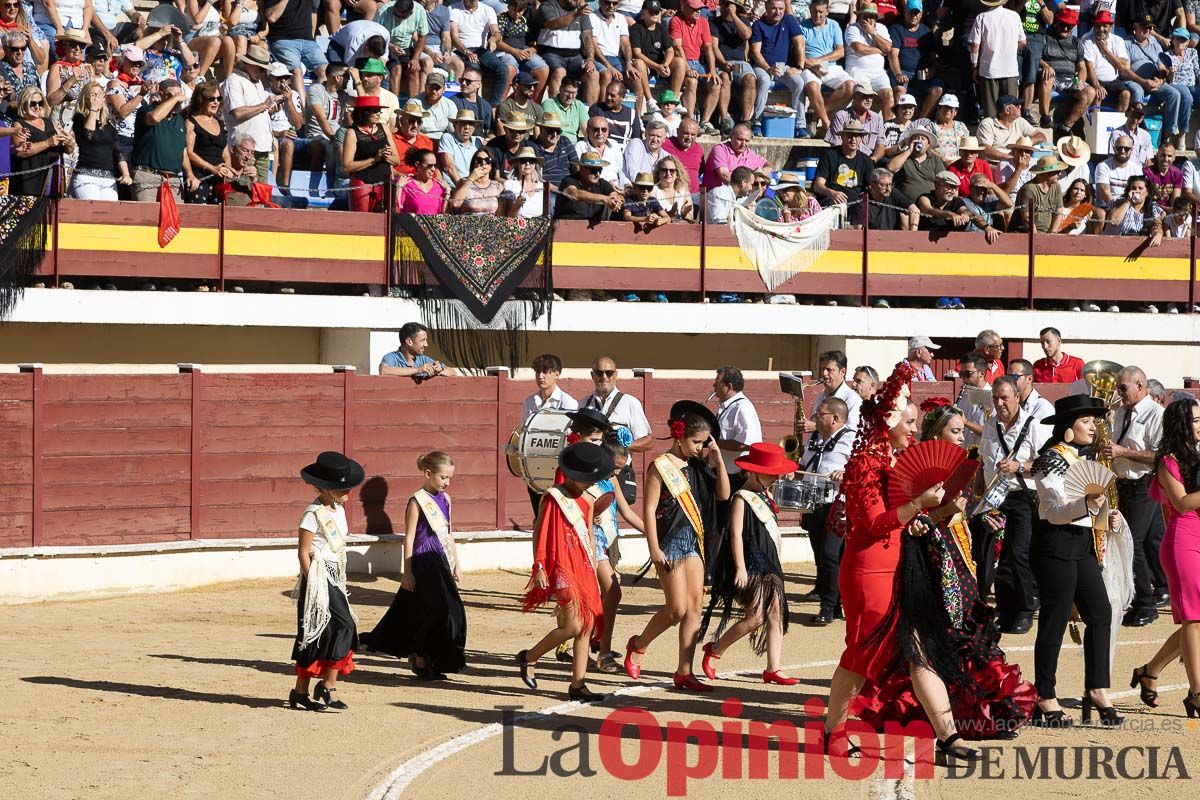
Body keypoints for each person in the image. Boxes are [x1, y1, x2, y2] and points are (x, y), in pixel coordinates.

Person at [850, 398, 1036, 741]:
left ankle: (970, 709)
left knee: (964, 621)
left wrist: (968, 508)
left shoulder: (959, 464)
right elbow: (910, 524)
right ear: (937, 435)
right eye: (955, 432)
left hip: (958, 554)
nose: (961, 439)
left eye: (963, 432)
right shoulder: (912, 468)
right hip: (931, 559)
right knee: (947, 627)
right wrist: (943, 510)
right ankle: (954, 714)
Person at [821, 361, 979, 761]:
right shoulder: (865, 465)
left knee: (919, 649)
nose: (914, 429)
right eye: (908, 421)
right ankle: (833, 731)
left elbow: (895, 523)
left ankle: (948, 737)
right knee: (861, 656)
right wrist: (916, 506)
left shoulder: (888, 462)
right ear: (888, 422)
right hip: (868, 572)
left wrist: (918, 520)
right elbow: (874, 523)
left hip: (895, 568)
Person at [1029, 395, 1124, 728]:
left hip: (1079, 544)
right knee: (1054, 620)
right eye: (1086, 421)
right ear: (1068, 428)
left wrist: (1105, 515)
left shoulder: (1079, 460)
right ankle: (1045, 695)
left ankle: (1096, 688)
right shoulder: (1048, 461)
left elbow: (1085, 511)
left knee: (1100, 611)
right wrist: (1088, 503)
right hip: (1054, 545)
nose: (1093, 427)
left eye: (1093, 421)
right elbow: (1054, 512)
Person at [623, 400, 730, 691]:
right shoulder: (660, 466)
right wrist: (653, 549)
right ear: (680, 437)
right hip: (669, 541)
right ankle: (638, 644)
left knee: (694, 607)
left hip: (693, 542)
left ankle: (684, 670)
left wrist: (718, 461)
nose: (700, 447)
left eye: (704, 442)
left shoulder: (698, 465)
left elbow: (723, 495)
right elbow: (649, 510)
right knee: (676, 608)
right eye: (696, 442)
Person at [517, 442, 614, 702]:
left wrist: (593, 564)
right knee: (573, 625)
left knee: (587, 625)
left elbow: (590, 537)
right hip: (562, 566)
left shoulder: (588, 500)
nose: (587, 484)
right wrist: (538, 565)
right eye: (584, 479)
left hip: (583, 565)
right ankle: (529, 657)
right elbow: (542, 532)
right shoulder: (553, 497)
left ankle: (578, 684)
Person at [361, 451, 466, 680]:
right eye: (443, 477)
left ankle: (429, 658)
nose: (447, 483)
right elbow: (408, 538)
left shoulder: (446, 500)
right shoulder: (416, 501)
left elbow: (448, 533)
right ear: (428, 474)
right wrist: (406, 572)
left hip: (441, 560)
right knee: (438, 610)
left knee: (443, 611)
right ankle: (421, 658)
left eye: (449, 478)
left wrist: (457, 564)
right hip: (423, 561)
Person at [699, 442, 797, 684]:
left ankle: (773, 667)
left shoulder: (767, 495)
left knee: (775, 614)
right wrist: (741, 567)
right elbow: (735, 534)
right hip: (752, 563)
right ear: (754, 472)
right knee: (756, 616)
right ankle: (716, 649)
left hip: (770, 561)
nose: (774, 478)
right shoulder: (742, 498)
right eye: (770, 474)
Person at [289, 451, 365, 711]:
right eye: (341, 487)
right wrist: (314, 585)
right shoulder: (312, 513)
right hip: (319, 578)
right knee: (339, 627)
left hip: (334, 574)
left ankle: (301, 692)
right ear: (325, 488)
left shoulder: (338, 509)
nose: (348, 491)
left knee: (321, 632)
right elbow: (303, 552)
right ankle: (327, 686)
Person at [1144, 397, 1200, 720]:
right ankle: (1196, 693)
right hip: (1183, 538)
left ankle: (1150, 670)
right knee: (1194, 618)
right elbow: (1180, 503)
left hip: (1194, 537)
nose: (1199, 425)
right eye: (1194, 419)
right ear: (1181, 423)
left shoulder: (1195, 457)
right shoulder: (1168, 461)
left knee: (1196, 620)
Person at [981, 374, 1044, 634]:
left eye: (1004, 398)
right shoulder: (989, 425)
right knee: (996, 555)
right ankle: (1005, 610)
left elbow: (1047, 464)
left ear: (1017, 397)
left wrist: (1020, 466)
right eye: (995, 398)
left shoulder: (1034, 426)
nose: (999, 403)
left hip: (1022, 498)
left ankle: (1024, 609)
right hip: (994, 497)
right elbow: (983, 462)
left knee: (1018, 554)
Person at [1109, 365, 1167, 628]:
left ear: (1140, 385)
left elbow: (1159, 455)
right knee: (1141, 542)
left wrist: (1121, 452)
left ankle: (1146, 602)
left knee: (1134, 543)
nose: (1119, 392)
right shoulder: (1122, 411)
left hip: (1144, 483)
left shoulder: (1156, 414)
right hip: (1123, 483)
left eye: (1123, 387)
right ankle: (1138, 598)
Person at [803, 396, 854, 626]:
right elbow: (805, 464)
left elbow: (863, 469)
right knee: (821, 556)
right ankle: (835, 605)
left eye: (819, 414)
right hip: (814, 503)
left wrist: (846, 473)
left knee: (831, 554)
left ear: (835, 418)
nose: (815, 418)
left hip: (838, 503)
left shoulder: (851, 439)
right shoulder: (814, 439)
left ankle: (828, 605)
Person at [748, 0, 805, 137]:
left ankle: (800, 125)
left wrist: (799, 67)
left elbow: (800, 43)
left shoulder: (788, 20)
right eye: (773, 8)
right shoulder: (758, 24)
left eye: (781, 8)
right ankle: (757, 122)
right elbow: (755, 51)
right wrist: (768, 68)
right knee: (764, 81)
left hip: (782, 66)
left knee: (799, 83)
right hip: (763, 65)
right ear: (766, 7)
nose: (778, 12)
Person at [799, 0, 856, 136]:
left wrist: (818, 61)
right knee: (812, 86)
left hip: (829, 66)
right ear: (810, 9)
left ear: (827, 11)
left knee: (851, 86)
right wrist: (813, 67)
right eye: (814, 11)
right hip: (809, 67)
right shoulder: (802, 26)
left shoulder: (834, 25)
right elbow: (799, 55)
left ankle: (815, 115)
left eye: (821, 12)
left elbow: (840, 52)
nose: (817, 15)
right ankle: (826, 123)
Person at [70, 79, 131, 199]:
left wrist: (126, 174)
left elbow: (118, 151)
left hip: (108, 178)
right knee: (91, 213)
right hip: (86, 176)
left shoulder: (109, 124)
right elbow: (89, 135)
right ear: (86, 98)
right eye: (93, 95)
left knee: (108, 214)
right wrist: (93, 109)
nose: (96, 98)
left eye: (99, 95)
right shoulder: (79, 118)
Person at [1039, 6, 1093, 138]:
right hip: (1053, 77)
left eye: (1069, 26)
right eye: (1063, 24)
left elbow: (1082, 68)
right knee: (1047, 76)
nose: (1065, 29)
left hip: (1070, 80)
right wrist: (1045, 65)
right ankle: (1045, 117)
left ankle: (1066, 126)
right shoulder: (1046, 38)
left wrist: (1080, 81)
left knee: (1090, 92)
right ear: (1056, 22)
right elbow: (1036, 58)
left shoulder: (1076, 42)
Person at [534, 0, 600, 107]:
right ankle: (555, 111)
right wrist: (576, 13)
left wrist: (590, 59)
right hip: (551, 52)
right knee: (559, 72)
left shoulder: (581, 10)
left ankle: (590, 115)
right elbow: (553, 24)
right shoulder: (547, 6)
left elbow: (587, 36)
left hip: (574, 55)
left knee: (593, 74)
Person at [968, 0, 1025, 119]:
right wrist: (1010, 50)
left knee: (991, 111)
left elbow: (974, 45)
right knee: (1011, 111)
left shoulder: (982, 17)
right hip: (1010, 69)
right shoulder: (1014, 16)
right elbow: (1022, 42)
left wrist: (974, 66)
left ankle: (991, 135)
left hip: (989, 69)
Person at [888, 0, 943, 119]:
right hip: (903, 72)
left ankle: (920, 121)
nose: (914, 15)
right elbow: (893, 54)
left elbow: (934, 56)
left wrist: (932, 69)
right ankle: (900, 122)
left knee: (937, 89)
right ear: (905, 12)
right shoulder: (896, 29)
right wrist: (898, 73)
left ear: (921, 13)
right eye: (911, 12)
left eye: (917, 12)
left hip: (921, 74)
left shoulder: (926, 32)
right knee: (900, 90)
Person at [341, 95, 396, 212]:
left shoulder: (384, 128)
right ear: (364, 113)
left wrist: (386, 156)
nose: (378, 114)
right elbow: (347, 166)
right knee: (362, 221)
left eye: (379, 111)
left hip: (384, 183)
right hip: (362, 183)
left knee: (384, 221)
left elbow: (397, 160)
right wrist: (375, 159)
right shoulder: (352, 133)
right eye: (374, 111)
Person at [843, 3, 894, 120]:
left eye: (871, 16)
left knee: (889, 95)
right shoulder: (852, 28)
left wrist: (873, 33)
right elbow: (858, 49)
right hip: (858, 70)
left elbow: (887, 48)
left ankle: (888, 128)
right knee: (863, 95)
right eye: (865, 15)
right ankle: (858, 125)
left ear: (875, 18)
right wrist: (879, 50)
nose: (868, 19)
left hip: (878, 72)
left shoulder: (881, 28)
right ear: (860, 16)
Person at [184, 81, 232, 205]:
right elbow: (189, 152)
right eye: (211, 99)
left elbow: (225, 152)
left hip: (219, 180)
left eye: (219, 98)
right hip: (200, 178)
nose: (216, 102)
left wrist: (227, 168)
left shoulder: (220, 123)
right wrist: (212, 168)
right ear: (201, 100)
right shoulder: (191, 122)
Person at [812, 122, 872, 207]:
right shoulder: (830, 155)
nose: (853, 139)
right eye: (849, 136)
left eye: (857, 136)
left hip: (856, 202)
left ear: (861, 139)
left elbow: (871, 187)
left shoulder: (866, 160)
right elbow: (818, 185)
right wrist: (832, 193)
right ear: (842, 136)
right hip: (832, 199)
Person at [556, 149, 625, 220]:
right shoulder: (569, 180)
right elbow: (574, 194)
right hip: (567, 226)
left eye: (599, 170)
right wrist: (604, 199)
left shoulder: (602, 183)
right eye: (594, 170)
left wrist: (616, 200)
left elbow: (614, 195)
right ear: (582, 169)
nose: (597, 174)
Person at [825, 85, 886, 162]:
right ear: (855, 97)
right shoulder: (841, 116)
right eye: (865, 96)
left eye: (871, 97)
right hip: (845, 160)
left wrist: (873, 159)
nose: (869, 100)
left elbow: (881, 145)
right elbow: (836, 145)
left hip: (869, 161)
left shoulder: (877, 118)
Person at [1105, 175, 1166, 246]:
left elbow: (1156, 226)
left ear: (1147, 192)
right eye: (1133, 188)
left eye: (1140, 188)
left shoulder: (1153, 208)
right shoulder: (1120, 202)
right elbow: (1113, 221)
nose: (1136, 191)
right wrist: (1128, 202)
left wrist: (1158, 234)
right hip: (1114, 245)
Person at [379, 322, 457, 378]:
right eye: (422, 340)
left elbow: (453, 372)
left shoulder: (423, 359)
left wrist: (440, 370)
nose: (426, 345)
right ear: (409, 342)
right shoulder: (392, 357)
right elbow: (384, 370)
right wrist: (417, 370)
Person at [887, 127, 945, 201]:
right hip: (907, 203)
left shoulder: (934, 159)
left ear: (928, 145)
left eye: (923, 139)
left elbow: (943, 180)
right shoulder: (903, 157)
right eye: (916, 138)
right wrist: (909, 151)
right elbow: (891, 167)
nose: (919, 141)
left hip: (930, 203)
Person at [853, 166, 917, 230]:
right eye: (883, 185)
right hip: (873, 238)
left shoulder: (893, 193)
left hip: (894, 237)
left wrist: (913, 231)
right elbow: (859, 229)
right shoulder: (862, 201)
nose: (888, 189)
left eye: (890, 184)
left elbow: (915, 209)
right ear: (873, 185)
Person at [449, 147, 503, 215]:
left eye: (487, 160)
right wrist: (471, 179)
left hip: (491, 224)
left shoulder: (497, 186)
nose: (483, 163)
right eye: (479, 160)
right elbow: (455, 204)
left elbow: (501, 214)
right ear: (474, 164)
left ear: (491, 165)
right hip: (468, 224)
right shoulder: (464, 182)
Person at [437, 107, 482, 184]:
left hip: (473, 185)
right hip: (454, 185)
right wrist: (460, 186)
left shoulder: (477, 142)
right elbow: (449, 166)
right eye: (463, 123)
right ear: (455, 125)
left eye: (470, 124)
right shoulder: (448, 138)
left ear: (474, 128)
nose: (467, 127)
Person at [396, 147, 447, 213]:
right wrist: (398, 188)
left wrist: (447, 192)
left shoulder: (439, 186)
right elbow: (397, 210)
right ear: (418, 165)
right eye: (430, 166)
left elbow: (444, 214)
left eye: (435, 165)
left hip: (433, 223)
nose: (433, 169)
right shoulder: (406, 183)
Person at [500, 146, 546, 217]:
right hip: (518, 225)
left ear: (535, 165)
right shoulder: (510, 184)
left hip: (540, 225)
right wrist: (517, 205)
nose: (527, 163)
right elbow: (509, 216)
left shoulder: (542, 186)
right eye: (523, 161)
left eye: (531, 161)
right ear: (517, 164)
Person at [541, 77, 586, 143]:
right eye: (567, 92)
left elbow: (586, 129)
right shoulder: (549, 104)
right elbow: (552, 129)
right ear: (560, 89)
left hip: (574, 145)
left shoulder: (579, 105)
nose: (570, 97)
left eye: (573, 93)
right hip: (555, 142)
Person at [1009, 358, 1054, 424]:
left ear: (1029, 379)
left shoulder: (1043, 408)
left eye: (1014, 377)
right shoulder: (1006, 403)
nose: (1009, 381)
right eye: (1007, 377)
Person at [651, 154, 693, 220]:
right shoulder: (653, 190)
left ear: (677, 174)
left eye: (672, 170)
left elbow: (691, 218)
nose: (668, 173)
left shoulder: (684, 191)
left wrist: (684, 214)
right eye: (664, 170)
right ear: (658, 173)